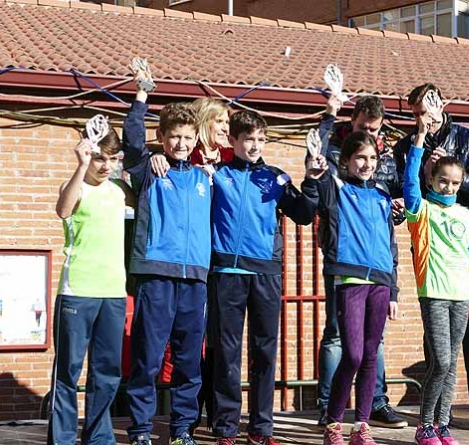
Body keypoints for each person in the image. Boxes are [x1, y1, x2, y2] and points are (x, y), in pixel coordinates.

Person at [210, 110, 324, 445]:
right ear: (233, 140)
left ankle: (261, 428)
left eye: (261, 139)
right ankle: (226, 428)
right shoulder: (217, 175)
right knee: (227, 353)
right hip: (227, 272)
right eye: (249, 139)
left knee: (264, 351)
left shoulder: (276, 177)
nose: (255, 145)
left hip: (266, 273)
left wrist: (311, 179)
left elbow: (304, 214)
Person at [394, 83, 469, 428]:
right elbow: (403, 188)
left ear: (441, 105)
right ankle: (434, 418)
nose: (422, 119)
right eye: (416, 114)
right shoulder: (407, 145)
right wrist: (426, 172)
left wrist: (451, 170)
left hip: (462, 238)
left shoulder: (467, 138)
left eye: (426, 111)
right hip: (429, 236)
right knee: (437, 343)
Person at [123, 74, 212, 445]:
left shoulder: (205, 177)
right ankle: (141, 431)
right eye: (174, 136)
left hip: (195, 278)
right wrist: (141, 97)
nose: (181, 143)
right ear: (161, 137)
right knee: (147, 357)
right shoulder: (150, 170)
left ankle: (181, 430)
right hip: (156, 272)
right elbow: (131, 143)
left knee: (189, 361)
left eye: (188, 137)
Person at [316, 94, 406, 428]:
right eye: (360, 158)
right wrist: (329, 114)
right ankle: (332, 416)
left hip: (380, 279)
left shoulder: (383, 196)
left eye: (371, 158)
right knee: (348, 350)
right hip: (348, 276)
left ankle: (363, 424)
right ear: (347, 160)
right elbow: (317, 155)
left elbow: (391, 243)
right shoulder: (337, 186)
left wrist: (394, 289)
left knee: (370, 353)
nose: (367, 164)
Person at [48, 122, 135, 445]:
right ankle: (63, 439)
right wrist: (81, 165)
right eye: (100, 158)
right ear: (88, 155)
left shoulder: (120, 191)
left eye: (113, 159)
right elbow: (63, 210)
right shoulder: (75, 186)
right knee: (68, 371)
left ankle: (99, 437)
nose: (106, 166)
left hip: (113, 293)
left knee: (107, 372)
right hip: (77, 292)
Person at [151, 96, 232, 434]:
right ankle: (179, 420)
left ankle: (214, 417)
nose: (226, 128)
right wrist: (153, 155)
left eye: (228, 123)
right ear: (203, 124)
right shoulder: (181, 158)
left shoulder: (231, 159)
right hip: (183, 265)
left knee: (218, 344)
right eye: (220, 121)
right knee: (183, 346)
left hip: (220, 263)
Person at [404, 119, 469, 445]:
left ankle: (443, 425)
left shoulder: (465, 213)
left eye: (454, 183)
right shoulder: (422, 210)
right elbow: (409, 183)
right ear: (432, 181)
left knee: (452, 365)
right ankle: (424, 426)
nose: (449, 187)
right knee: (441, 361)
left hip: (461, 295)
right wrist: (420, 139)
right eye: (443, 181)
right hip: (434, 293)